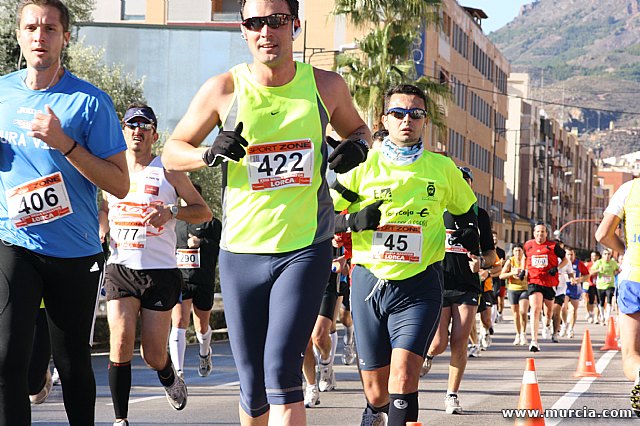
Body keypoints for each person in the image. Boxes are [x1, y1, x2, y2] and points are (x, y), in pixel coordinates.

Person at [161, 0, 371, 423]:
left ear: (294, 24)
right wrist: (208, 153)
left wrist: (359, 146)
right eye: (255, 23)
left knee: (281, 368)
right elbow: (171, 151)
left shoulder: (326, 86)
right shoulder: (224, 88)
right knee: (253, 385)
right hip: (241, 253)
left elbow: (360, 129)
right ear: (243, 30)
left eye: (275, 21)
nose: (266, 32)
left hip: (305, 248)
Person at [0, 1, 130, 423]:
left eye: (50, 29)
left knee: (72, 360)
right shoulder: (1, 92)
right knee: (5, 360)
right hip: (14, 241)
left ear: (66, 37)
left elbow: (119, 183)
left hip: (74, 253)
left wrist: (64, 143)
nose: (40, 36)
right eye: (32, 28)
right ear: (19, 35)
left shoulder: (89, 102)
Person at [331, 84, 479, 426]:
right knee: (376, 389)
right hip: (369, 282)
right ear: (384, 119)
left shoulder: (442, 168)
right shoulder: (363, 168)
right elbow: (319, 215)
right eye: (398, 113)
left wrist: (469, 229)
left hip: (420, 283)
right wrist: (352, 220)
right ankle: (375, 411)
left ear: (425, 121)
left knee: (403, 375)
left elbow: (467, 208)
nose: (406, 120)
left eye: (416, 113)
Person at [100, 104, 212, 426]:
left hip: (160, 272)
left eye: (144, 126)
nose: (137, 130)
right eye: (131, 125)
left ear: (154, 134)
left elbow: (203, 212)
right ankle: (120, 420)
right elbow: (104, 207)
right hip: (121, 268)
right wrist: (102, 224)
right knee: (119, 341)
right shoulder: (112, 168)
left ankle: (167, 373)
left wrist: (172, 212)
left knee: (152, 353)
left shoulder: (168, 168)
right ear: (124, 131)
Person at [422, 166, 495, 415]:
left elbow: (491, 254)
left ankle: (451, 395)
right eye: (458, 181)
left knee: (459, 341)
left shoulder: (479, 214)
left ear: (471, 187)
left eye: (467, 182)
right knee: (438, 343)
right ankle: (428, 356)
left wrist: (481, 263)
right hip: (440, 282)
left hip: (468, 286)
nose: (462, 185)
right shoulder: (435, 209)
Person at [595, 178, 640, 417]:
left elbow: (602, 234)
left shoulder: (629, 190)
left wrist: (625, 250)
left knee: (631, 355)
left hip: (634, 276)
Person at [169, 183, 222, 379]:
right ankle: (178, 371)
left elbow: (222, 247)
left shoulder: (212, 222)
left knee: (201, 326)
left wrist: (202, 243)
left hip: (203, 280)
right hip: (180, 279)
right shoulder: (173, 223)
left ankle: (204, 353)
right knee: (179, 322)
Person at [523, 223, 567, 352]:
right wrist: (523, 269)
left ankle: (547, 324)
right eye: (537, 232)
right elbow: (525, 258)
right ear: (533, 233)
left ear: (546, 234)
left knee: (548, 312)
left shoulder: (553, 246)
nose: (540, 234)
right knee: (535, 309)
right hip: (534, 280)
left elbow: (565, 260)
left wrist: (556, 268)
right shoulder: (528, 245)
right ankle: (534, 341)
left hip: (549, 282)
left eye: (542, 232)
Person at [499, 244, 529, 345]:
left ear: (523, 251)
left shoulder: (527, 261)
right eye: (515, 251)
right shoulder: (510, 261)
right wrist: (512, 273)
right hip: (512, 289)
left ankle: (523, 334)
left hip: (525, 289)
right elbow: (501, 275)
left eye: (519, 251)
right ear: (513, 252)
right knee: (516, 314)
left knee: (523, 312)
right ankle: (518, 334)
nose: (517, 253)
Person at [561, 247, 589, 338]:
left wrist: (579, 280)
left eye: (571, 254)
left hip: (575, 288)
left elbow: (587, 275)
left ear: (574, 255)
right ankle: (564, 325)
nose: (570, 256)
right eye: (568, 254)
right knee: (563, 308)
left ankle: (571, 329)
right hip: (564, 288)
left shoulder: (579, 263)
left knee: (573, 310)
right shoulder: (562, 262)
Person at [590, 248, 620, 326]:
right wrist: (598, 270)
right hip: (600, 285)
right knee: (601, 302)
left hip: (610, 285)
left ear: (610, 255)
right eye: (605, 254)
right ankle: (602, 316)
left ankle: (607, 317)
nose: (607, 256)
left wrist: (616, 272)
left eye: (608, 254)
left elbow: (619, 269)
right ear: (602, 255)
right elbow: (591, 271)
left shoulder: (613, 263)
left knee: (609, 299)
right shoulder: (599, 262)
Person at [491, 230, 506, 323]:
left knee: (499, 296)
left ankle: (499, 313)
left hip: (498, 276)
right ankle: (494, 314)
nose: (494, 239)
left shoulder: (501, 251)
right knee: (492, 297)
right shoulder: (486, 250)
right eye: (492, 237)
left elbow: (502, 264)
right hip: (488, 276)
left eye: (495, 237)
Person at [584, 251, 602, 323]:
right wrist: (597, 270)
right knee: (590, 301)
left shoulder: (601, 263)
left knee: (598, 301)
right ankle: (590, 314)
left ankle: (596, 317)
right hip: (590, 284)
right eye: (591, 256)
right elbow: (589, 273)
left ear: (598, 257)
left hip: (599, 284)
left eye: (594, 256)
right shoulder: (588, 264)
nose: (592, 257)